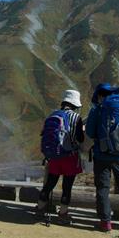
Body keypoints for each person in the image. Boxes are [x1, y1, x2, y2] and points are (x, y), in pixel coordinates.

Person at [85, 83, 119, 232]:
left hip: (101, 155)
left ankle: (105, 222)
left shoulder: (97, 110)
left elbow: (90, 132)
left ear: (99, 95)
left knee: (103, 188)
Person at [36, 89, 85, 224]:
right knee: (67, 187)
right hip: (70, 156)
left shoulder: (53, 115)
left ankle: (40, 209)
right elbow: (80, 139)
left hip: (54, 156)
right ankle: (63, 214)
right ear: (75, 105)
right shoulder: (76, 118)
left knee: (50, 183)